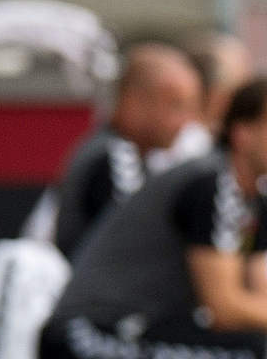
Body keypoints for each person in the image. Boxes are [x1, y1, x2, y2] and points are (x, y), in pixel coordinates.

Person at [40, 79, 267, 359]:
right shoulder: (211, 182)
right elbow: (225, 308)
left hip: (144, 328)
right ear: (242, 133)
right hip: (93, 331)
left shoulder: (259, 197)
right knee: (255, 351)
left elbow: (259, 296)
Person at [53, 42, 204, 258]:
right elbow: (134, 250)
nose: (186, 121)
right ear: (133, 102)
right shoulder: (116, 157)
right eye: (176, 105)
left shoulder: (124, 153)